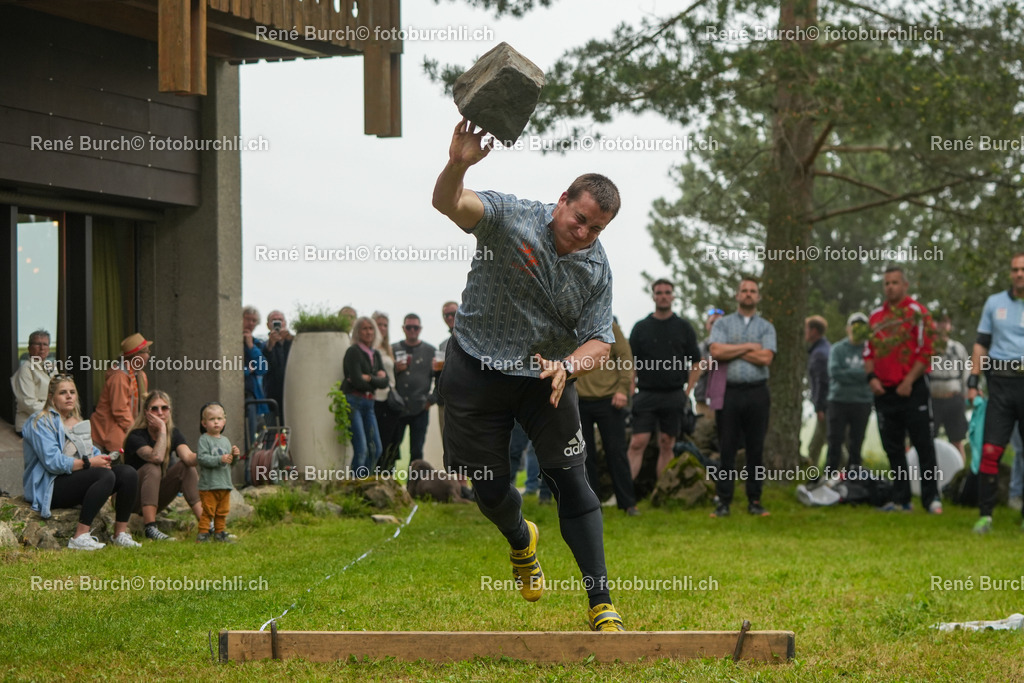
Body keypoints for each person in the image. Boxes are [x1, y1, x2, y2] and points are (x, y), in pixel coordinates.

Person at [431, 118, 624, 631]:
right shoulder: (509, 217)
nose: (581, 234)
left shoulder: (596, 268)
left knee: (574, 482)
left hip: (546, 379)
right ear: (562, 199)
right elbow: (450, 204)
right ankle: (522, 539)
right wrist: (457, 165)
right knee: (490, 491)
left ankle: (601, 602)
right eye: (578, 219)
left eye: (595, 229)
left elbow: (600, 341)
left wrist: (567, 366)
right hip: (476, 369)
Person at [22, 375, 140, 549]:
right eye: (63, 393)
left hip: (75, 478)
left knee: (128, 473)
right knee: (104, 476)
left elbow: (90, 453)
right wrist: (91, 463)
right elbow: (53, 463)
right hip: (50, 486)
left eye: (72, 392)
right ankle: (80, 536)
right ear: (51, 397)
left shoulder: (78, 422)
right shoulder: (40, 421)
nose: (69, 396)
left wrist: (103, 458)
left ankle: (120, 534)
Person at [864, 265, 940, 514]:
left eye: (895, 282)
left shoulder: (918, 313)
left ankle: (931, 500)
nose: (890, 287)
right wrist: (872, 378)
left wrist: (909, 380)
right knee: (893, 448)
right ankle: (901, 499)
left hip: (913, 388)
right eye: (886, 283)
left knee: (923, 444)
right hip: (884, 392)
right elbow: (868, 352)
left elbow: (926, 350)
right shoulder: (875, 317)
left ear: (905, 285)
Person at [708, 276, 777, 518]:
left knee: (755, 448)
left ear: (758, 297)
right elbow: (716, 351)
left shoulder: (767, 327)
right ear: (737, 295)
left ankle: (755, 500)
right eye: (744, 290)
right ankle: (724, 501)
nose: (748, 294)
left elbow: (766, 358)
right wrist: (750, 347)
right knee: (726, 447)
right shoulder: (723, 324)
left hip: (758, 392)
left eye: (753, 291)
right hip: (729, 392)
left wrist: (733, 350)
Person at [967, 253, 1024, 533]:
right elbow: (981, 344)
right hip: (1000, 383)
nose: (1019, 274)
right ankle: (985, 516)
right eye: (1015, 269)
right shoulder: (994, 303)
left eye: (1023, 269)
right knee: (990, 451)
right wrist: (972, 380)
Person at [626, 280, 701, 480]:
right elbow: (629, 361)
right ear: (653, 296)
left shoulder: (684, 327)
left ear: (673, 296)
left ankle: (663, 492)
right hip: (646, 394)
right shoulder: (641, 327)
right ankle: (622, 496)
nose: (663, 296)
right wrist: (631, 387)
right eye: (659, 293)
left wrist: (687, 392)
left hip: (674, 394)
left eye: (667, 292)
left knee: (667, 443)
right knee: (637, 442)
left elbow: (696, 362)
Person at [123, 390, 203, 541]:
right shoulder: (136, 436)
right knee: (152, 467)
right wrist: (162, 429)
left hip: (154, 496)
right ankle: (151, 528)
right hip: (128, 499)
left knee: (186, 467)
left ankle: (207, 525)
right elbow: (157, 457)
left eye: (164, 408)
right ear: (146, 413)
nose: (160, 412)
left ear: (169, 411)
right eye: (154, 409)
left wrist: (210, 454)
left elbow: (188, 458)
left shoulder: (174, 433)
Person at [578, 320, 638, 515]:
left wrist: (622, 389)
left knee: (617, 453)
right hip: (578, 401)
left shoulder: (608, 324)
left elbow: (625, 356)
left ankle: (628, 503)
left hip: (610, 400)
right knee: (584, 456)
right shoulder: (569, 323)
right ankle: (592, 506)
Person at [825, 313, 873, 475]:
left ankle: (854, 477)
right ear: (848, 328)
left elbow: (872, 373)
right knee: (834, 441)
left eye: (861, 326)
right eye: (854, 325)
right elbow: (835, 372)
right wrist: (861, 374)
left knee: (857, 442)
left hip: (862, 402)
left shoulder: (871, 350)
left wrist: (852, 374)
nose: (857, 329)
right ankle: (830, 475)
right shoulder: (837, 348)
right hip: (838, 401)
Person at [90, 333, 152, 453]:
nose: (149, 356)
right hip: (107, 435)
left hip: (124, 430)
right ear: (136, 356)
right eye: (146, 352)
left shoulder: (140, 375)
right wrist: (135, 432)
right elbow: (120, 411)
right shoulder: (119, 377)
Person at [342, 317, 389, 474]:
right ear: (357, 331)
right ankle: (355, 487)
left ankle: (365, 482)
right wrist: (376, 378)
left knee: (376, 449)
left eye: (371, 328)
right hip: (354, 401)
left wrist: (369, 378)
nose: (368, 332)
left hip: (369, 404)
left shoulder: (375, 354)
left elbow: (386, 382)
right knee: (361, 448)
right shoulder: (353, 351)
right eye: (364, 328)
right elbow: (357, 381)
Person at [392, 314, 436, 464]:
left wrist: (431, 400)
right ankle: (388, 483)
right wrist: (395, 369)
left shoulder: (430, 351)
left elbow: (440, 377)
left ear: (420, 329)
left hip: (420, 408)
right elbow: (385, 376)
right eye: (408, 327)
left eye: (415, 327)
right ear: (403, 329)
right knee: (392, 449)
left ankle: (415, 486)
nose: (412, 330)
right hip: (397, 408)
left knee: (416, 451)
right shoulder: (393, 349)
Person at [196, 402, 240, 543]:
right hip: (209, 485)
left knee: (222, 511)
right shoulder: (204, 439)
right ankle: (203, 534)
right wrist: (219, 459)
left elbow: (231, 463)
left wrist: (235, 456)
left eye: (219, 419)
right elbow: (202, 458)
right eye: (212, 419)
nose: (216, 422)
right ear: (204, 423)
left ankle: (220, 533)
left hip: (224, 483)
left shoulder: (226, 441)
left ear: (224, 421)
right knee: (208, 511)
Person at [930, 312, 969, 463]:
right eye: (938, 322)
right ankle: (928, 475)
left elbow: (966, 372)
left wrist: (968, 393)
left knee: (957, 440)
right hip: (932, 399)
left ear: (950, 326)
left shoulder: (957, 348)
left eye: (945, 322)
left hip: (954, 399)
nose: (941, 326)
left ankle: (960, 477)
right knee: (927, 440)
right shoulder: (928, 348)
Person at [372, 311, 403, 473]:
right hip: (376, 399)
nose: (382, 328)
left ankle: (387, 475)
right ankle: (376, 474)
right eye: (379, 324)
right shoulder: (369, 348)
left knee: (392, 441)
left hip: (390, 399)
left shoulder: (387, 348)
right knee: (379, 442)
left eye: (385, 325)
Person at [11, 329, 55, 436]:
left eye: (45, 344)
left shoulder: (51, 367)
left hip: (50, 422)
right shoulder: (25, 369)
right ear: (29, 348)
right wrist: (55, 413)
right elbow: (28, 403)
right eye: (38, 344)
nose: (42, 348)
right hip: (31, 424)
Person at [805, 315, 831, 467]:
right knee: (817, 444)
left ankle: (850, 473)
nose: (805, 332)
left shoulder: (819, 354)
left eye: (807, 329)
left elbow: (822, 382)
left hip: (825, 406)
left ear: (814, 331)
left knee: (826, 443)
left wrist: (819, 407)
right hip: (827, 405)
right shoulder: (825, 348)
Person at [243, 306, 269, 441]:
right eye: (247, 319)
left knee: (250, 435)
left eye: (254, 321)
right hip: (234, 393)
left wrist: (251, 347)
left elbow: (262, 368)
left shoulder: (256, 343)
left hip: (250, 396)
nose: (250, 323)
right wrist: (247, 370)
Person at [263, 310, 294, 421]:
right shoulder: (264, 344)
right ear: (268, 325)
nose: (277, 323)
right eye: (274, 320)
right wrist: (271, 344)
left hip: (292, 393)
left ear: (285, 323)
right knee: (274, 429)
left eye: (280, 320)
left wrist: (291, 339)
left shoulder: (292, 341)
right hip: (273, 396)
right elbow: (264, 364)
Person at [693, 308, 724, 418]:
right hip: (704, 402)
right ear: (707, 326)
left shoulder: (734, 346)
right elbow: (691, 371)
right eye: (712, 323)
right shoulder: (699, 348)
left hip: (727, 401)